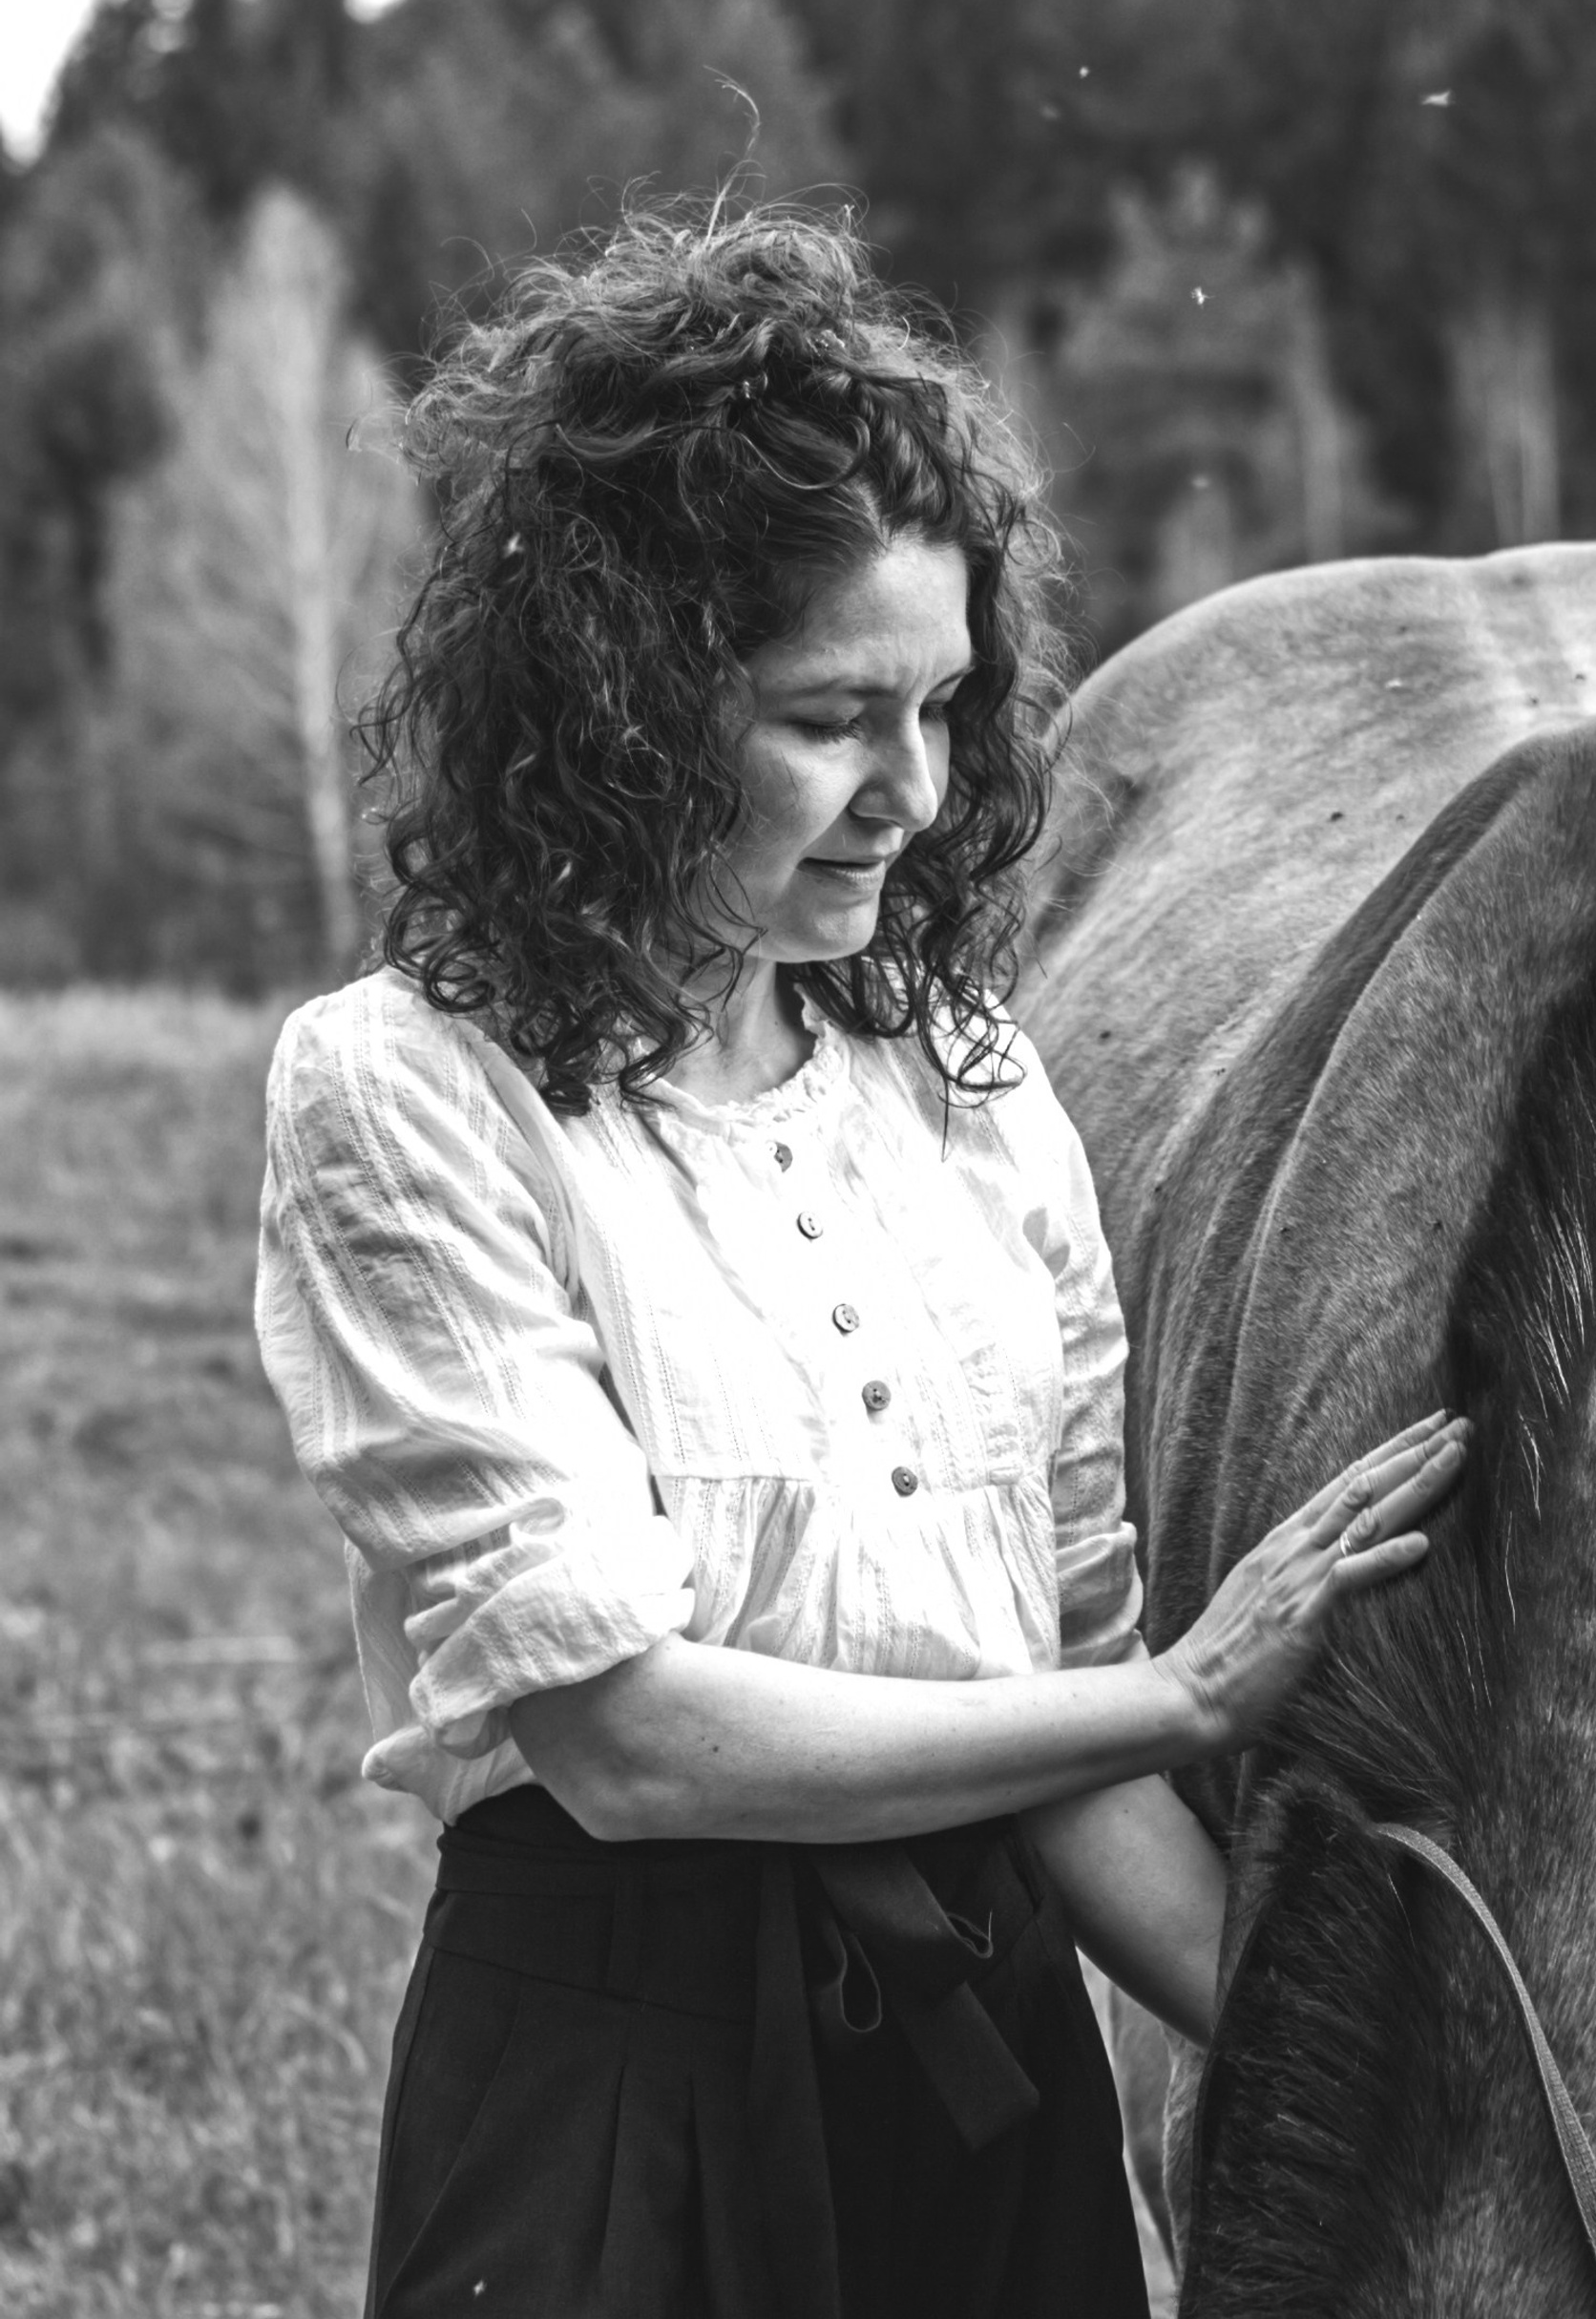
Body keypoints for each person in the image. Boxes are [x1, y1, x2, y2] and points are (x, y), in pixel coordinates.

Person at [253, 200, 1468, 2319]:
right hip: (611, 2087)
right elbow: (625, 1739)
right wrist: (1164, 1693)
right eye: (828, 715)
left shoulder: (970, 1086)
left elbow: (1057, 1713)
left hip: (985, 2083)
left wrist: (1387, 2117)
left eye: (942, 705)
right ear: (621, 705)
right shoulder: (406, 1095)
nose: (907, 791)